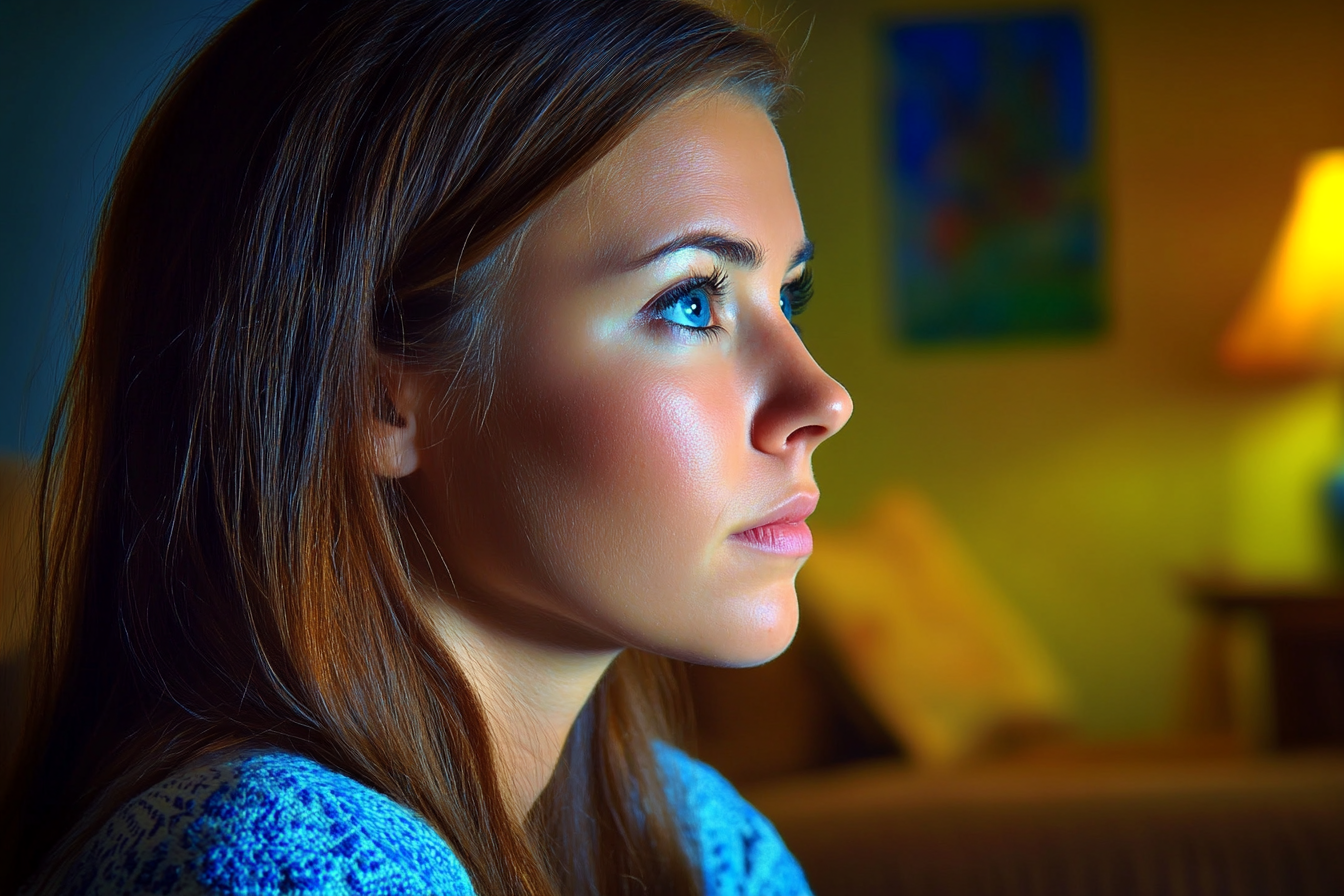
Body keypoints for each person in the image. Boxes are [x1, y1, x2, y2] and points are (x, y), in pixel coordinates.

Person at [0, 0, 852, 893]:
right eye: (689, 301)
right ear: (379, 398)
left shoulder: (696, 839)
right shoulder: (289, 860)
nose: (823, 398)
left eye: (789, 296)